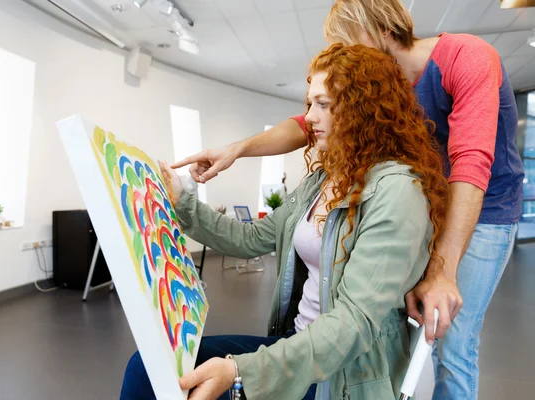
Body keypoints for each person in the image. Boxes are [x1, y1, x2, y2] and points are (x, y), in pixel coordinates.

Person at [172, 1, 524, 398]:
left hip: (485, 206)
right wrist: (237, 149)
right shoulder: (376, 93)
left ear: (377, 30)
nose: (345, 55)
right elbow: (309, 123)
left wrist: (442, 269)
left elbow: (471, 165)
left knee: (452, 342)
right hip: (431, 198)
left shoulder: (467, 57)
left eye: (346, 42)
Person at [120, 43, 448, 400]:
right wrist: (182, 202)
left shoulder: (398, 192)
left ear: (363, 110)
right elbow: (249, 238)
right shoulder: (323, 180)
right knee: (148, 368)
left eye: (323, 104)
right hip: (296, 346)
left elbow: (353, 324)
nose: (308, 117)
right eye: (310, 104)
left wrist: (240, 372)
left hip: (341, 378)